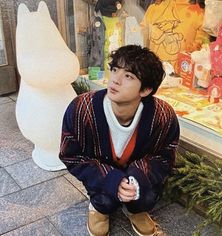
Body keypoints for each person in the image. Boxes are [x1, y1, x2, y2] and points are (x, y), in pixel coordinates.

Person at [59, 45, 180, 236]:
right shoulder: (82, 109)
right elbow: (71, 155)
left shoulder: (162, 115)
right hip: (101, 173)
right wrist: (109, 178)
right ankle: (98, 208)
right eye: (115, 69)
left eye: (129, 76)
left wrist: (139, 177)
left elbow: (165, 156)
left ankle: (136, 210)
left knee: (146, 197)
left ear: (146, 89)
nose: (115, 79)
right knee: (106, 201)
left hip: (137, 177)